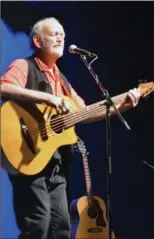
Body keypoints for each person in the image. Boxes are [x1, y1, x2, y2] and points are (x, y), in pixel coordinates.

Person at [0, 17, 141, 239]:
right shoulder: (23, 65)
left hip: (56, 162)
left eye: (62, 34)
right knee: (38, 224)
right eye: (54, 34)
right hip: (27, 152)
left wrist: (123, 106)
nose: (60, 38)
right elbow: (4, 88)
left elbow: (84, 113)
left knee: (62, 226)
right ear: (37, 41)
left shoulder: (62, 79)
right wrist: (46, 98)